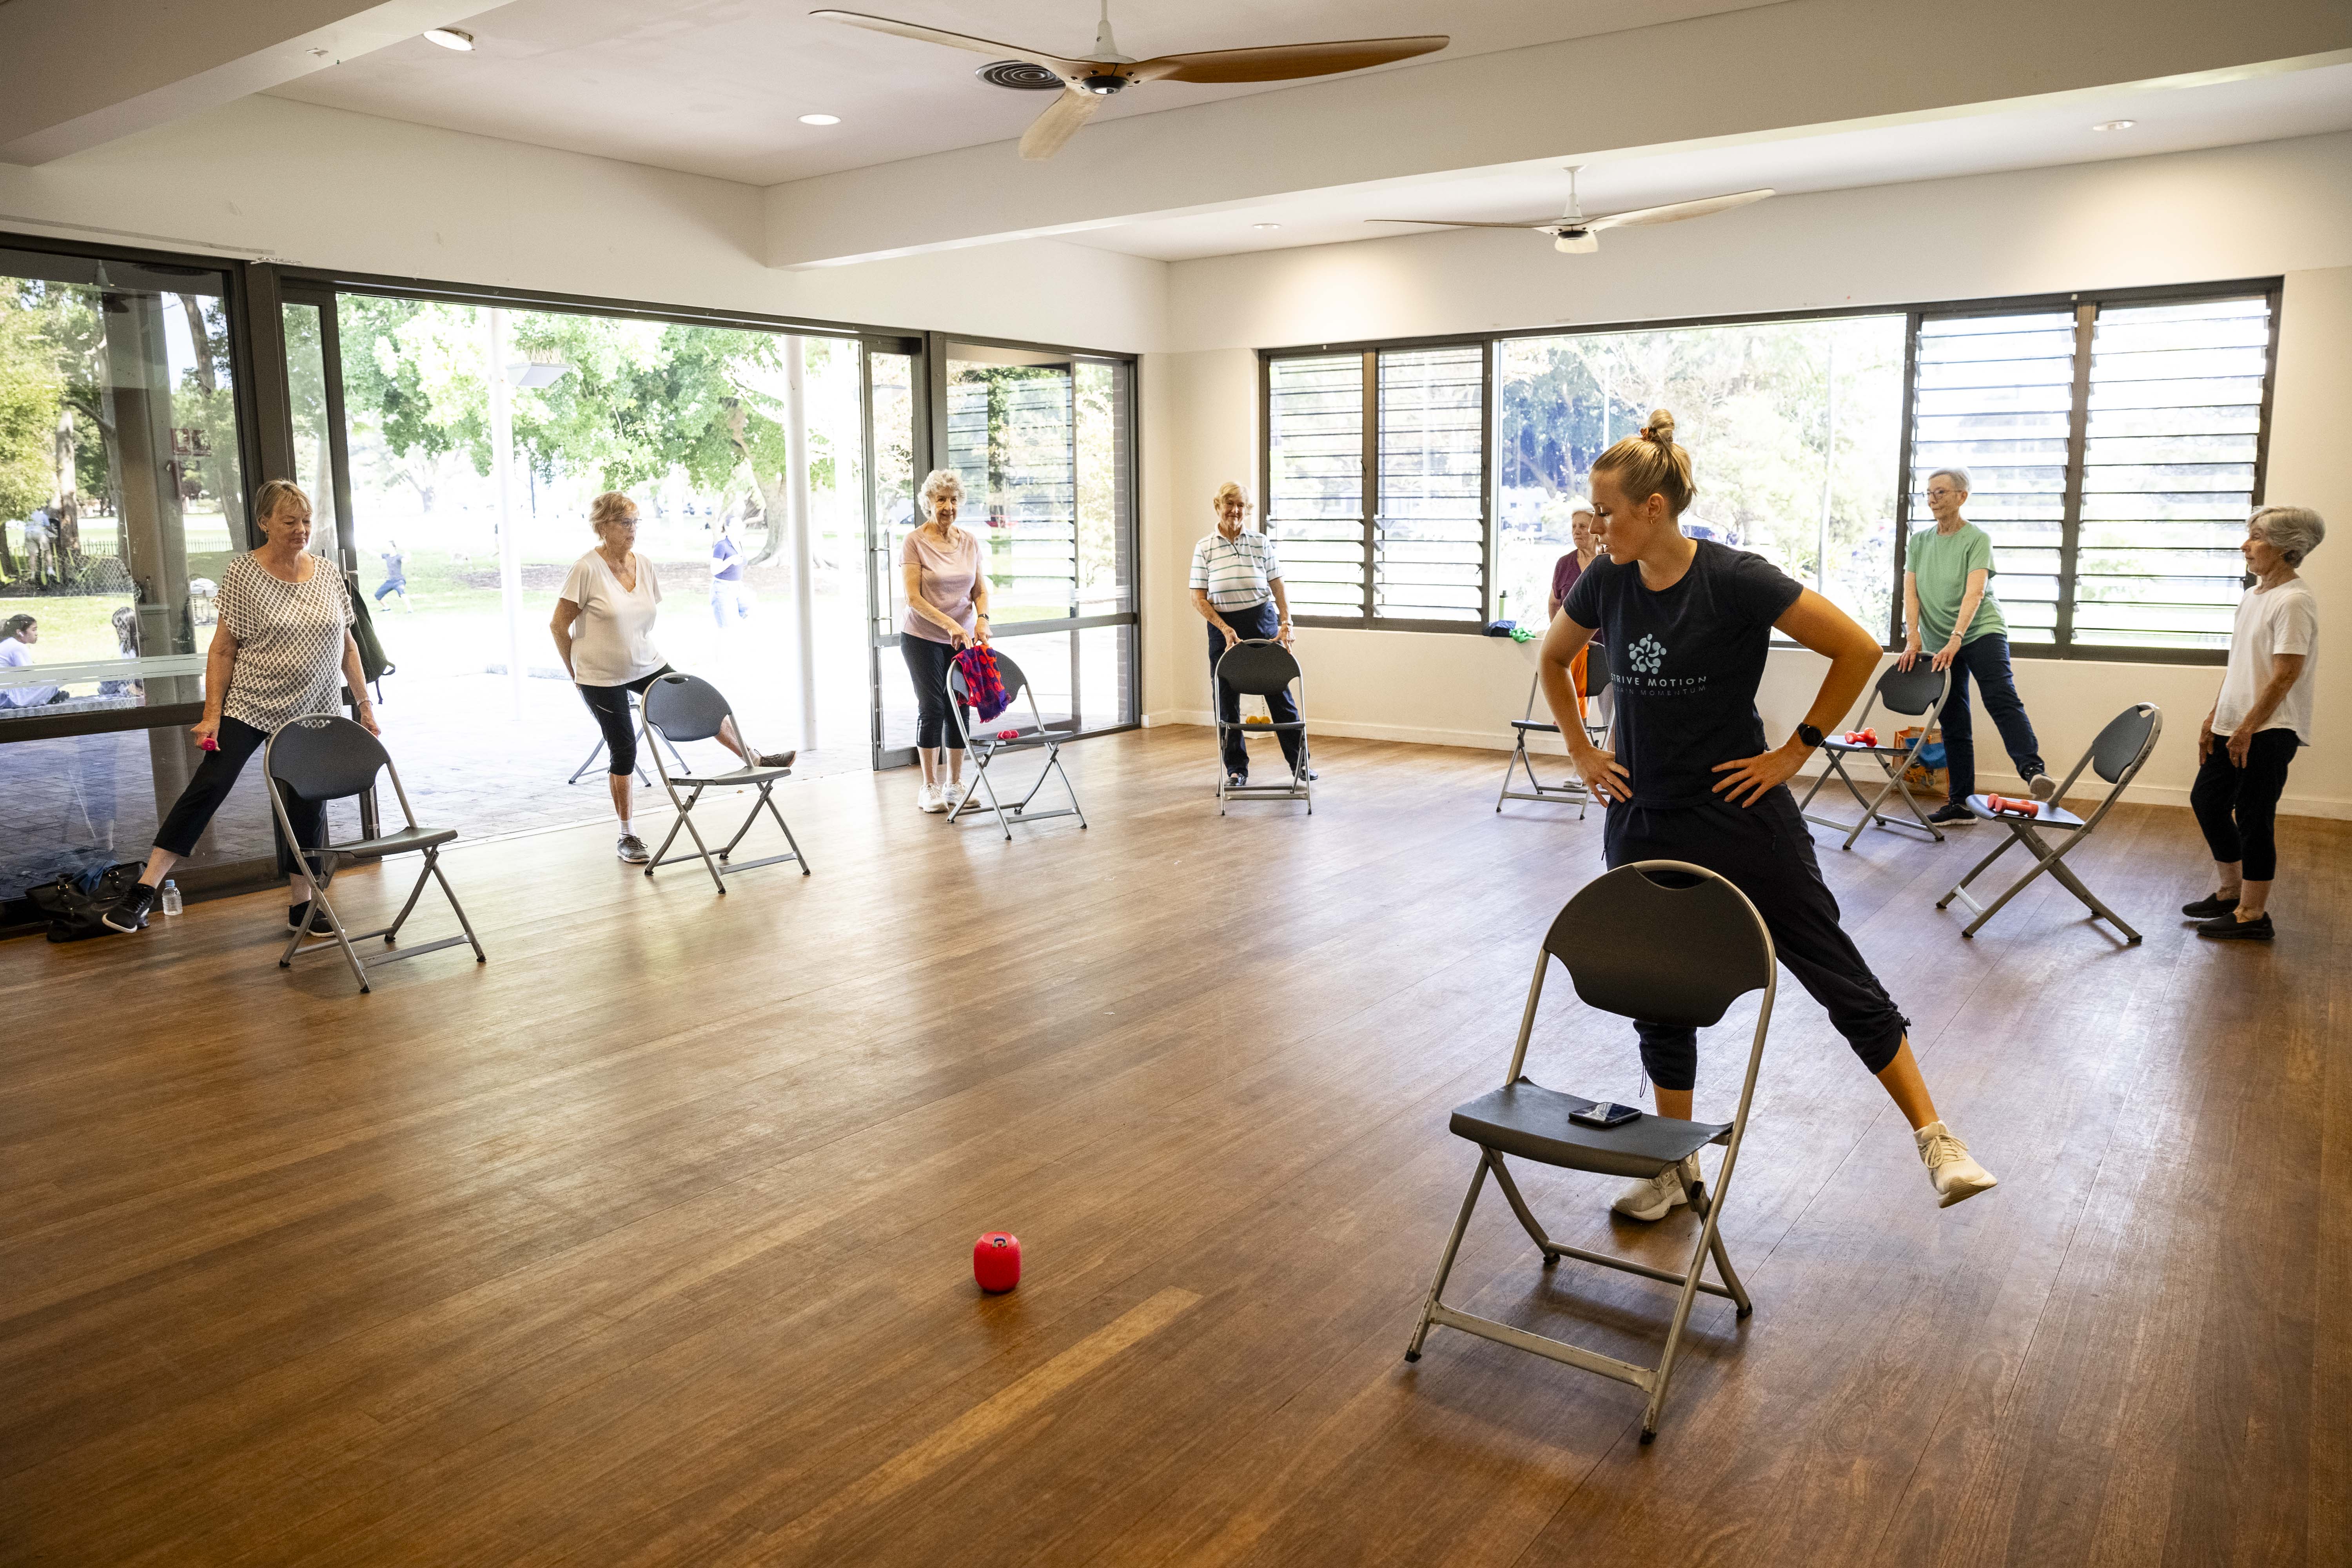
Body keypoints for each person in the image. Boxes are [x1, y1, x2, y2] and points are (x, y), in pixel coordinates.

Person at [1542, 410, 1997, 1216]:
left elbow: (1857, 647)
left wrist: (1795, 752)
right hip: (1646, 817)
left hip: (1742, 815)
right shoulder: (1606, 581)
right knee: (1661, 990)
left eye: (1607, 510)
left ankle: (1937, 1137)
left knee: (1831, 965)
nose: (1596, 524)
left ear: (1654, 508)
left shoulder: (1735, 577)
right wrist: (1582, 748)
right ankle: (1674, 1167)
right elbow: (1554, 656)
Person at [101, 480, 371, 935]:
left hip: (314, 706)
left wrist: (363, 704)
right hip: (252, 703)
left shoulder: (327, 573)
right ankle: (143, 891)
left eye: (305, 520)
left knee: (307, 804)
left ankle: (302, 905)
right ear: (265, 522)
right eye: (289, 521)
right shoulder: (244, 574)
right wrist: (212, 713)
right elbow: (223, 650)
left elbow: (348, 646)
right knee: (211, 786)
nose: (301, 529)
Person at [552, 491, 790, 864]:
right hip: (600, 675)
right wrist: (577, 675)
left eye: (636, 522)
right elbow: (557, 626)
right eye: (624, 523)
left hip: (646, 662)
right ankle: (627, 834)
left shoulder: (643, 565)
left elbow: (638, 619)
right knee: (625, 747)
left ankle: (754, 757)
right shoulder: (586, 569)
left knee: (695, 702)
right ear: (602, 526)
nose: (633, 530)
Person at [2185, 505, 2325, 942]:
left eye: (2258, 537)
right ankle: (2230, 892)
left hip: (2270, 728)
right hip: (2236, 721)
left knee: (2253, 817)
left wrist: (2247, 728)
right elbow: (2242, 666)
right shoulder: (2254, 595)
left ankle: (2253, 914)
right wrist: (2216, 716)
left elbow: (2286, 673)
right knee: (2207, 801)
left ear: (2288, 549)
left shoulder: (2295, 600)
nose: (2246, 545)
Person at [1898, 469, 2055, 823]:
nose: (1933, 499)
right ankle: (1960, 804)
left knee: (2000, 697)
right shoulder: (1920, 542)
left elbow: (1976, 592)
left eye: (1941, 492)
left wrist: (1957, 639)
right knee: (1953, 718)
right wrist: (1914, 637)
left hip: (1981, 630)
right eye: (1928, 493)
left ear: (1962, 496)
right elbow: (1911, 591)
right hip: (1939, 640)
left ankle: (2032, 770)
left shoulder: (1977, 538)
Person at [1189, 481, 1310, 789]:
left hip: (1262, 620)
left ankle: (1300, 764)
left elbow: (1278, 585)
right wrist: (1225, 628)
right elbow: (1198, 597)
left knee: (1279, 692)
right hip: (1223, 627)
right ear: (1218, 506)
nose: (1236, 510)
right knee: (1226, 698)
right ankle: (1236, 769)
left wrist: (1288, 622)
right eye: (1230, 504)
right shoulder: (1205, 547)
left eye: (1241, 505)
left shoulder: (1260, 542)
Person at [900, 469, 990, 814]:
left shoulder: (969, 541)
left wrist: (981, 619)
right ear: (929, 503)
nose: (948, 507)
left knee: (959, 708)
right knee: (933, 707)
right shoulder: (915, 541)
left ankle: (954, 785)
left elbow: (980, 590)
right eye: (941, 500)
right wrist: (951, 624)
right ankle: (928, 787)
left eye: (953, 500)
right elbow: (913, 597)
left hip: (962, 638)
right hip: (923, 636)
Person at [1546, 501, 1609, 726]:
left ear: (1595, 530)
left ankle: (1612, 753)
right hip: (1574, 650)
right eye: (1574, 527)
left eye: (1583, 526)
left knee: (1612, 716)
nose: (1577, 531)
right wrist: (1560, 634)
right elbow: (1554, 603)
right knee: (1575, 720)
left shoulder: (1611, 562)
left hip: (1607, 650)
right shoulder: (1564, 564)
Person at [0, 614, 64, 708]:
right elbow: (30, 678)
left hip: (6, 694)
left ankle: (47, 696)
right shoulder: (18, 647)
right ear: (20, 633)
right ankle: (48, 696)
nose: (36, 633)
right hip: (4, 697)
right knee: (54, 680)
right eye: (34, 630)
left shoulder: (8, 643)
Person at [710, 514, 753, 628]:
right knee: (725, 625)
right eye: (736, 525)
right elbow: (714, 570)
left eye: (741, 525)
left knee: (750, 614)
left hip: (738, 586)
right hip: (722, 588)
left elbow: (742, 562)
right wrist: (730, 561)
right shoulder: (722, 546)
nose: (740, 528)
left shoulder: (738, 543)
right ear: (728, 528)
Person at [374, 539, 410, 609]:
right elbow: (376, 554)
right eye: (387, 547)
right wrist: (364, 549)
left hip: (399, 581)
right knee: (378, 595)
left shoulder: (399, 557)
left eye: (390, 546)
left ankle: (410, 609)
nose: (388, 548)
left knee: (401, 592)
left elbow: (406, 561)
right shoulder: (387, 556)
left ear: (394, 547)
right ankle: (386, 608)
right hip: (390, 581)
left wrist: (406, 551)